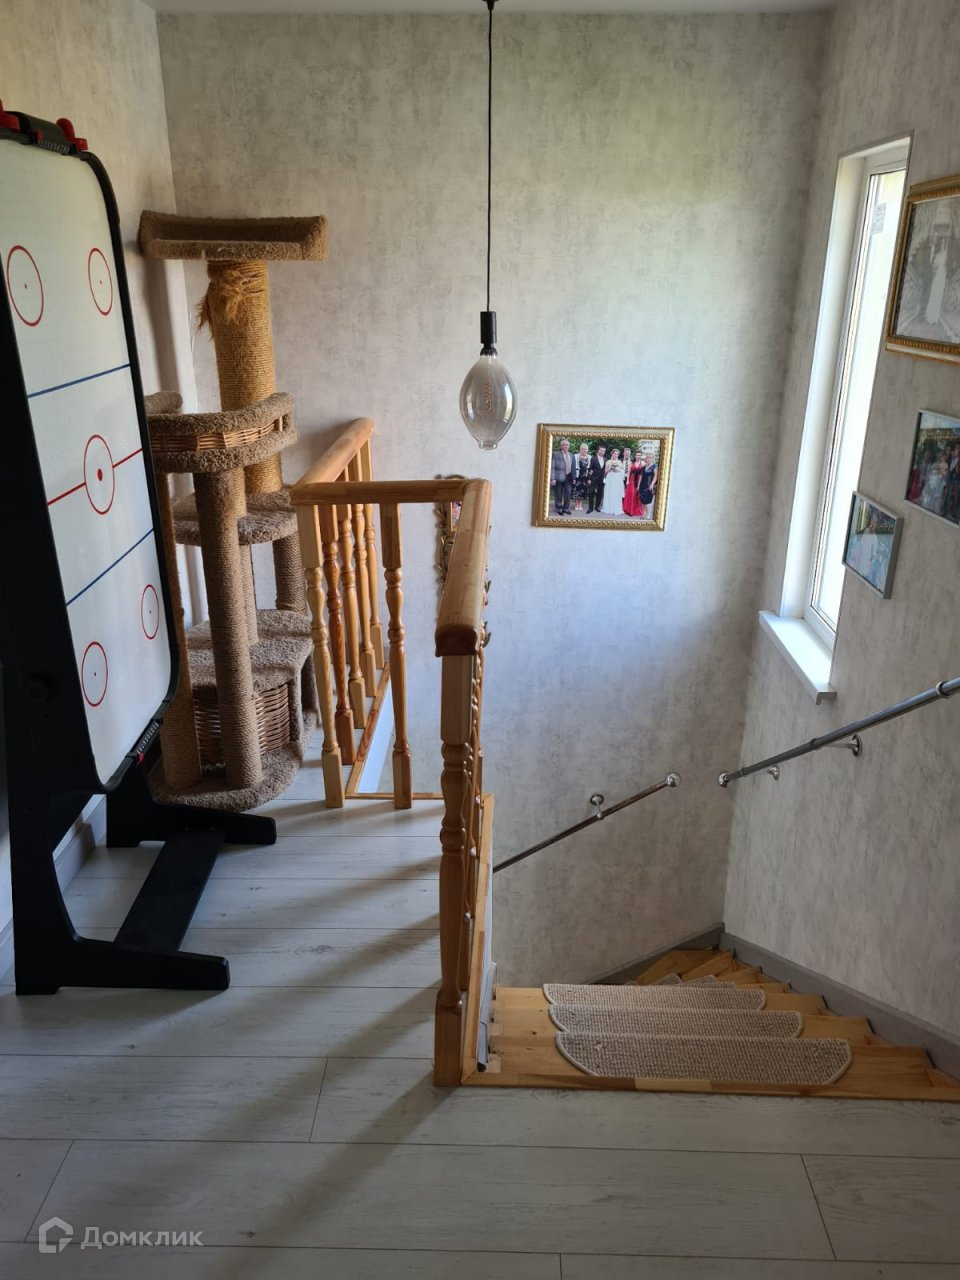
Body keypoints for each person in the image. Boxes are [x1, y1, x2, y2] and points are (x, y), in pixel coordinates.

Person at [551, 437, 574, 515]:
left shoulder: (571, 455)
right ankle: (559, 508)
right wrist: (553, 478)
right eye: (564, 444)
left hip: (569, 477)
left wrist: (574, 477)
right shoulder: (555, 454)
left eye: (567, 445)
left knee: (568, 494)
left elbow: (573, 467)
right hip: (558, 478)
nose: (566, 446)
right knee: (558, 494)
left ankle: (566, 508)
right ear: (561, 446)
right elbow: (552, 467)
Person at [601, 448, 626, 515]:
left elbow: (622, 471)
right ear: (612, 454)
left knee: (616, 492)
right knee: (609, 491)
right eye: (614, 454)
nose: (615, 455)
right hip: (610, 478)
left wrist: (617, 470)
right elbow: (605, 472)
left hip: (617, 478)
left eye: (617, 454)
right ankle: (608, 508)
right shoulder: (608, 462)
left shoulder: (620, 462)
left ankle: (616, 508)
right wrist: (610, 469)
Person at [637, 449, 659, 517]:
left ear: (652, 459)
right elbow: (641, 477)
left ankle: (647, 513)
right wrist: (638, 486)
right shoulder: (643, 467)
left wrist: (652, 484)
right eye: (647, 458)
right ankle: (645, 512)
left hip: (649, 485)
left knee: (647, 500)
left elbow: (655, 476)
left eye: (650, 458)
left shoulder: (654, 466)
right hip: (642, 485)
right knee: (642, 500)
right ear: (646, 459)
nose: (649, 459)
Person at [623, 452, 645, 517]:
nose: (638, 456)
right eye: (637, 455)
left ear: (641, 456)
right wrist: (627, 480)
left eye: (639, 455)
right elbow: (628, 472)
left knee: (636, 495)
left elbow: (642, 475)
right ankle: (629, 510)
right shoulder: (631, 463)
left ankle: (634, 510)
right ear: (635, 456)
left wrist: (639, 484)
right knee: (631, 495)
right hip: (631, 481)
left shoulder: (643, 464)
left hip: (638, 480)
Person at [572, 443, 592, 512]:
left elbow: (590, 468)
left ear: (587, 450)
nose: (584, 450)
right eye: (583, 449)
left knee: (583, 491)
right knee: (577, 490)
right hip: (578, 476)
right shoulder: (575, 456)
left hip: (585, 477)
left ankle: (580, 503)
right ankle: (576, 504)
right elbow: (573, 467)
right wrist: (573, 477)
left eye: (585, 449)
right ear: (580, 449)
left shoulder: (589, 457)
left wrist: (589, 477)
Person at [587, 444, 607, 513]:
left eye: (603, 451)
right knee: (591, 492)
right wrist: (589, 479)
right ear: (598, 450)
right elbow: (590, 469)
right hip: (593, 479)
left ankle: (597, 507)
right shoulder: (593, 459)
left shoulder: (605, 460)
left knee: (600, 494)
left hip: (601, 480)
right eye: (601, 450)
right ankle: (590, 508)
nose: (602, 452)